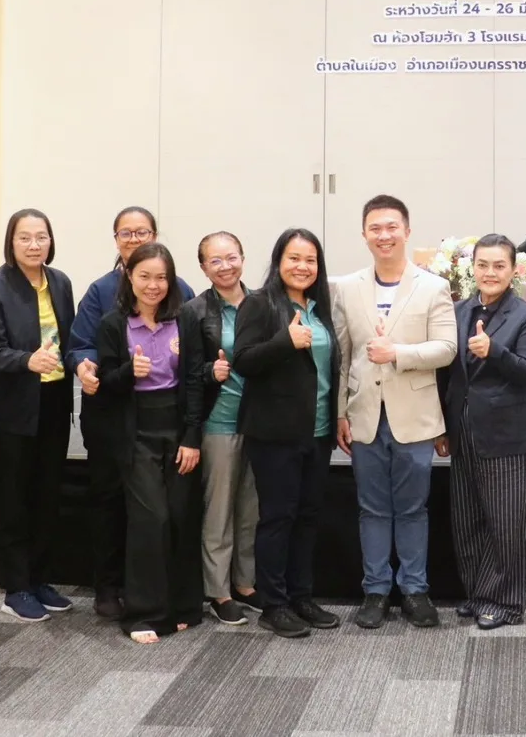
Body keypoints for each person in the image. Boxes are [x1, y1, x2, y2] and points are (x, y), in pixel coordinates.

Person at [332, 195, 456, 629]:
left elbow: (446, 348)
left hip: (415, 416)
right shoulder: (347, 287)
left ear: (406, 231)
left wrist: (397, 353)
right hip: (364, 415)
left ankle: (415, 591)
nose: (384, 235)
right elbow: (343, 355)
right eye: (375, 228)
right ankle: (376, 591)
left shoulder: (433, 287)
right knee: (371, 509)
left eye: (391, 227)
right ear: (364, 234)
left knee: (412, 508)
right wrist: (340, 412)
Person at [68, 207, 195, 619]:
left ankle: (165, 596)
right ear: (116, 240)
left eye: (143, 232)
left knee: (164, 512)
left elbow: (194, 355)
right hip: (114, 419)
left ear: (155, 236)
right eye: (127, 233)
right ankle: (108, 587)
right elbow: (82, 345)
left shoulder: (180, 291)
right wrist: (86, 368)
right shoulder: (100, 293)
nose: (135, 239)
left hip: (166, 422)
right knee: (110, 502)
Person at [231, 228, 343, 639]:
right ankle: (274, 603)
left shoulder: (319, 307)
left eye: (310, 260)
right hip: (275, 433)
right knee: (278, 518)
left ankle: (301, 597)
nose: (302, 266)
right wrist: (285, 341)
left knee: (308, 517)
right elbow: (243, 361)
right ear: (279, 261)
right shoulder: (260, 304)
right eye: (294, 258)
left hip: (317, 431)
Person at [93, 243, 206, 643]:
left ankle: (183, 607)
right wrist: (130, 371)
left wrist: (192, 437)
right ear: (129, 277)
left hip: (177, 429)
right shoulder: (113, 323)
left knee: (179, 515)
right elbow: (104, 383)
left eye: (161, 277)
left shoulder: (185, 320)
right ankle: (143, 613)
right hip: (136, 431)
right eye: (144, 276)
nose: (153, 285)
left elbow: (194, 380)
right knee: (150, 519)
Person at [437, 234, 526, 630]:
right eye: (483, 265)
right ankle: (479, 593)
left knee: (507, 523)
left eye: (499, 265)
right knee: (468, 520)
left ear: (514, 270)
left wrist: (494, 352)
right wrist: (443, 427)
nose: (490, 273)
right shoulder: (458, 310)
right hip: (464, 430)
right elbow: (447, 375)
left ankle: (507, 602)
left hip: (509, 433)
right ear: (473, 268)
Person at [0, 208, 77, 623]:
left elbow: (69, 341)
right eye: (25, 238)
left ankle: (40, 578)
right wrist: (27, 360)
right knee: (13, 498)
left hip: (53, 402)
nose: (34, 245)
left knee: (47, 495)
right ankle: (15, 587)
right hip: (12, 408)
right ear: (11, 242)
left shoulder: (60, 282)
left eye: (41, 237)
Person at [184, 231, 261, 624]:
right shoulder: (194, 311)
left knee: (250, 509)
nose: (225, 266)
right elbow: (185, 372)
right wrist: (208, 372)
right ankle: (218, 590)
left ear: (243, 258)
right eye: (215, 260)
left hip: (260, 423)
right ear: (203, 268)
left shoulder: (263, 304)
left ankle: (246, 583)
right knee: (219, 513)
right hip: (219, 422)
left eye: (231, 257)